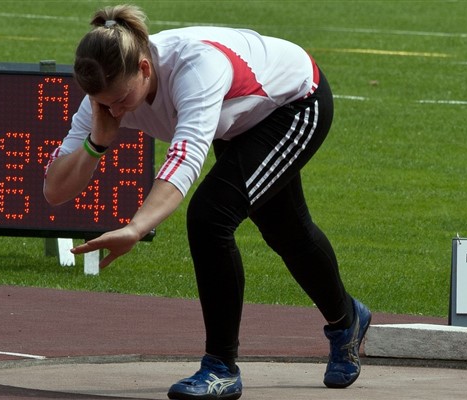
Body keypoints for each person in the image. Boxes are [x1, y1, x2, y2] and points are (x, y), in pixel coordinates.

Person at [44, 4, 371, 400]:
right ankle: (347, 320)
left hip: (294, 103)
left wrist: (136, 228)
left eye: (121, 100)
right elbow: (55, 190)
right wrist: (96, 144)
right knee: (287, 231)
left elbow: (185, 160)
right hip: (238, 120)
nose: (113, 111)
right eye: (102, 104)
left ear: (145, 69)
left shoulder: (197, 68)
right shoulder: (103, 99)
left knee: (209, 217)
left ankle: (221, 368)